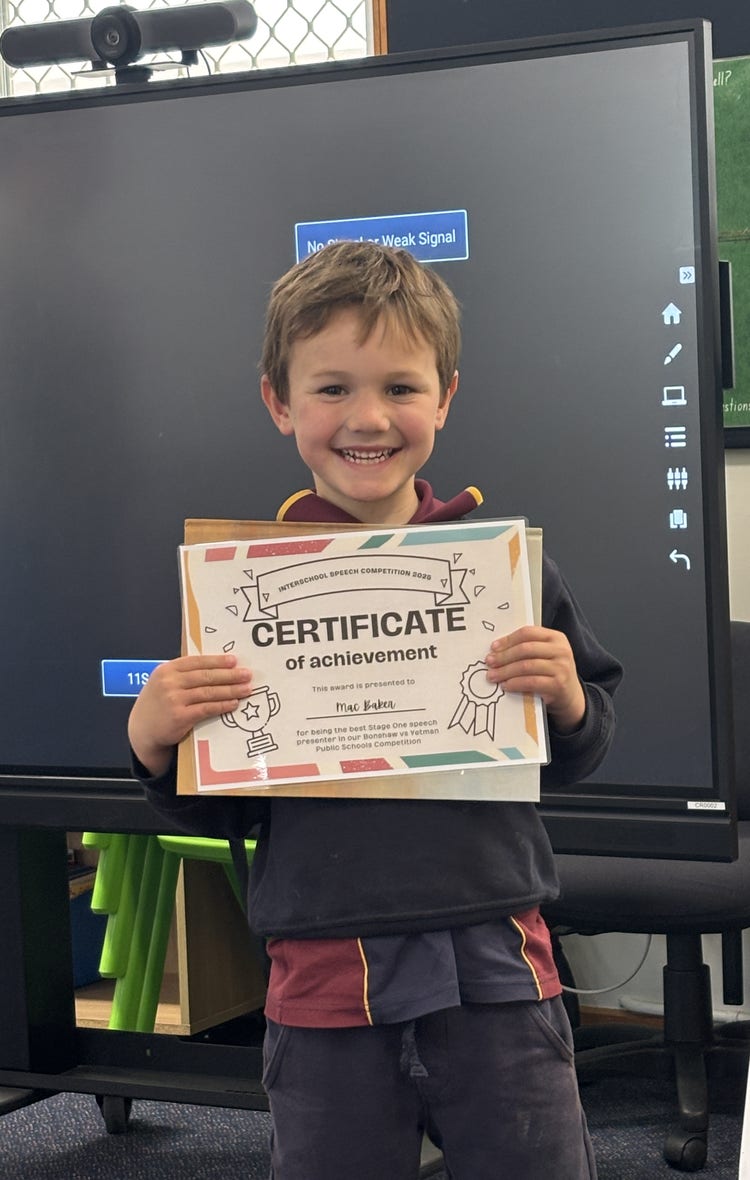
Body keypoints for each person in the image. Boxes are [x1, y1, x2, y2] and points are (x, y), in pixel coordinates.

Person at [129, 240, 623, 1180]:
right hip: (321, 973)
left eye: (401, 387)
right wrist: (155, 746)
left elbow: (577, 745)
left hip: (497, 962)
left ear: (445, 398)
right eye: (331, 389)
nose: (368, 418)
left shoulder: (505, 573)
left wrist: (565, 699)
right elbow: (227, 804)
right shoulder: (237, 596)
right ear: (279, 402)